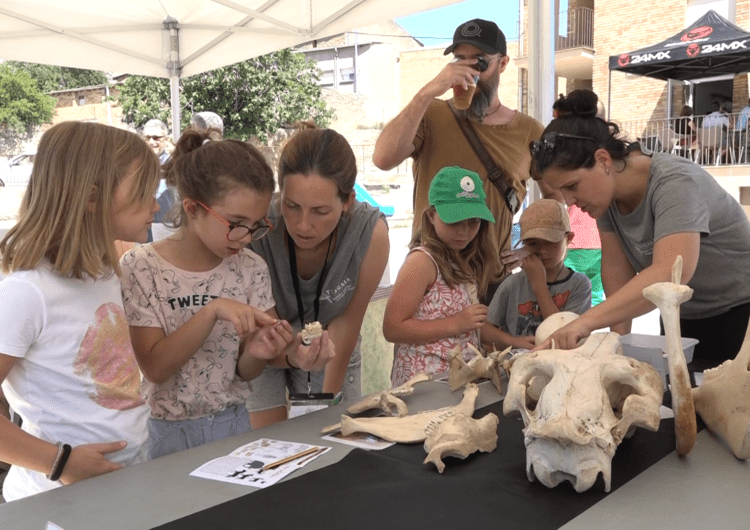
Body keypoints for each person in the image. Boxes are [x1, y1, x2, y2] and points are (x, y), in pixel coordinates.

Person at [120, 129, 334, 458]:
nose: (248, 237)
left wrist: (270, 351)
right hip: (162, 430)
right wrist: (212, 310)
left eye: (258, 224)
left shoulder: (250, 268)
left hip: (232, 424)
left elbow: (246, 370)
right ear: (192, 209)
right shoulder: (142, 267)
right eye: (237, 223)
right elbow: (155, 368)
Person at [530, 89, 750, 372]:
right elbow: (618, 279)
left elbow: (671, 272)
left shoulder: (674, 182)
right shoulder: (604, 199)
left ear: (603, 160)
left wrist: (583, 323)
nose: (569, 201)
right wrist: (615, 351)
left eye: (572, 186)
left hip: (741, 314)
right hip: (684, 316)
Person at [0, 121, 160, 501]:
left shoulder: (105, 272)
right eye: (144, 194)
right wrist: (61, 462)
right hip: (56, 501)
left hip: (123, 484)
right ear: (92, 196)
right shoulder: (26, 292)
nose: (156, 205)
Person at [372, 18, 559, 302]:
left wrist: (531, 248)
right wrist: (427, 93)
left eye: (480, 63)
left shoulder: (529, 131)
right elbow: (382, 158)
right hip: (430, 280)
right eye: (461, 61)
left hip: (492, 286)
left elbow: (555, 199)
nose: (468, 73)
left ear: (503, 63)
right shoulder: (431, 115)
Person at [247, 123, 389, 428]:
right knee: (264, 446)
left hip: (332, 346)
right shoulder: (258, 226)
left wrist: (324, 408)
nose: (303, 225)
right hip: (265, 342)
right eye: (291, 206)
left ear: (348, 201)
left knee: (332, 438)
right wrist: (291, 356)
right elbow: (263, 339)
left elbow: (347, 324)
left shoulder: (370, 234)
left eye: (321, 212)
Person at [384, 166, 496, 386]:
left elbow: (471, 325)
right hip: (424, 386)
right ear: (431, 215)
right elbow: (392, 327)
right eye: (454, 221)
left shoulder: (463, 260)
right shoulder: (422, 262)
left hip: (457, 382)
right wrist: (455, 323)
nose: (463, 231)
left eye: (473, 222)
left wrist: (512, 341)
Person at [482, 199, 591, 350]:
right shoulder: (513, 283)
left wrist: (539, 286)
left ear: (569, 238)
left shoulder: (580, 285)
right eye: (533, 243)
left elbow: (564, 336)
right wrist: (511, 341)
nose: (542, 250)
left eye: (550, 242)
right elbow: (484, 330)